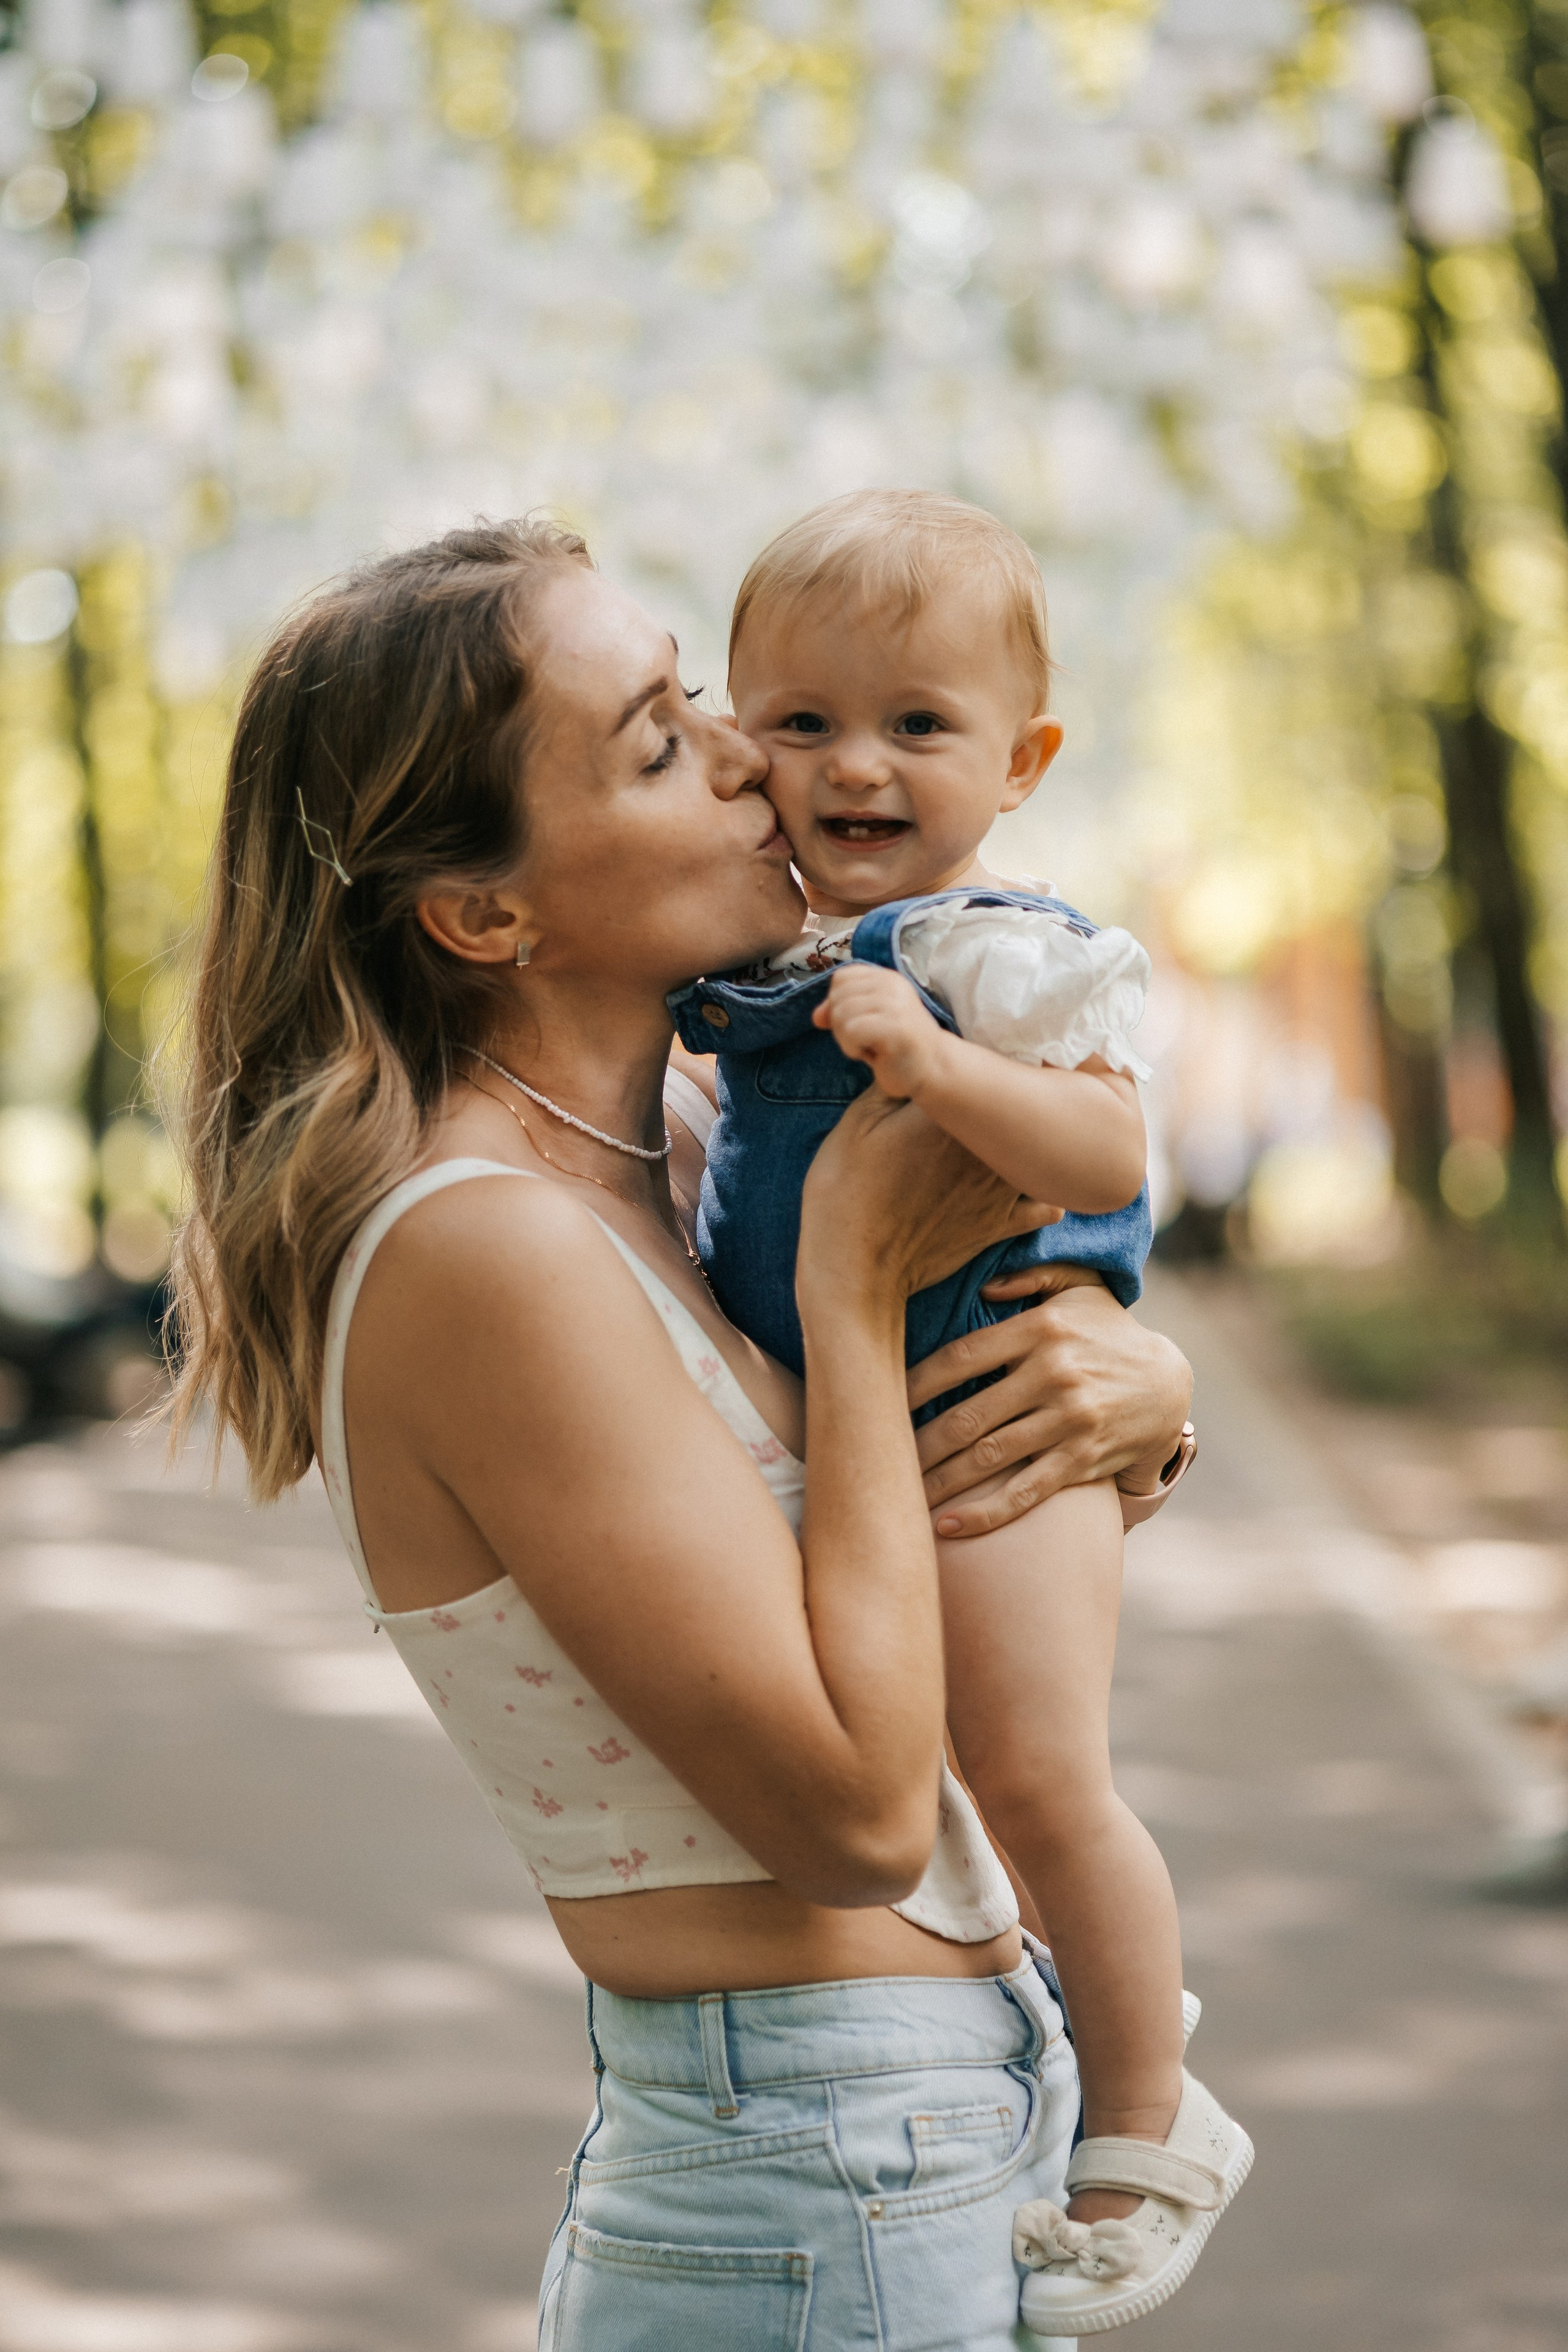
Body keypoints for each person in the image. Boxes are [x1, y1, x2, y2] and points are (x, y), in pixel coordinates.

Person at [165, 516, 1196, 2351]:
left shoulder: (696, 1159)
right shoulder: (486, 1249)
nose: (750, 755)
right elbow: (860, 1814)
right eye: (657, 740)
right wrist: (860, 1293)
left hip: (914, 2125)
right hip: (809, 2164)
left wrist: (1126, 1388)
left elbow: (881, 1537)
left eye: (699, 697)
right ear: (486, 915)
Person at [674, 489, 1250, 2334]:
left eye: (917, 725)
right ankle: (1103, 2019)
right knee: (963, 1775)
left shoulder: (988, 945)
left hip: (1000, 1416)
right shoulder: (754, 955)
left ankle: (1150, 2136)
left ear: (1022, 759)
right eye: (803, 720)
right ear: (734, 737)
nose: (856, 766)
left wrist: (934, 1060)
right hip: (888, 1438)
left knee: (1035, 1772)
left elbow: (1104, 1143)